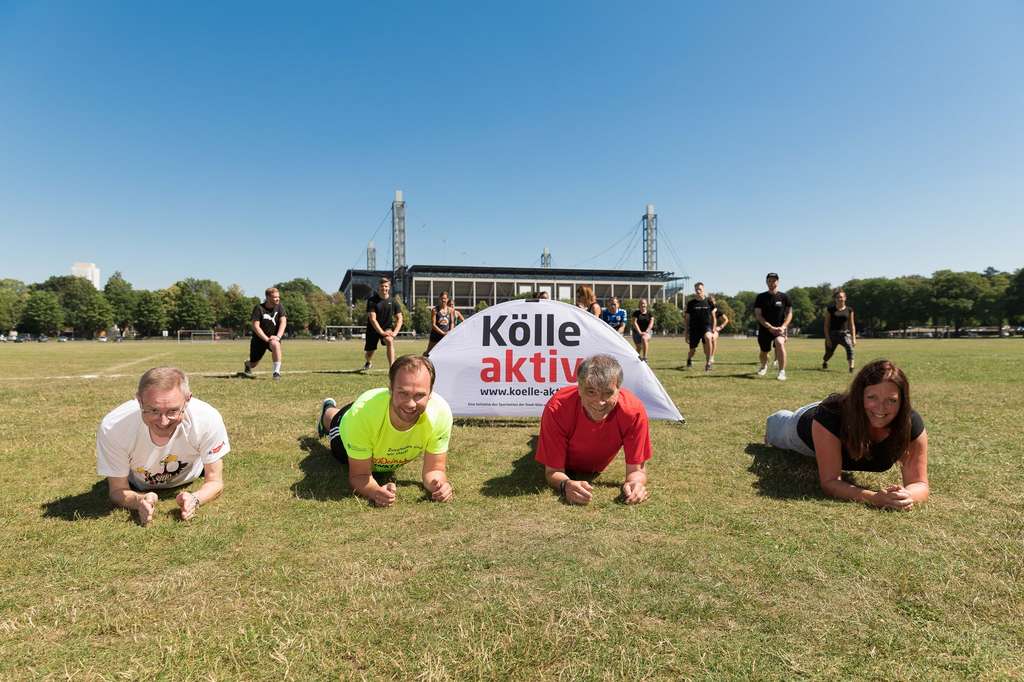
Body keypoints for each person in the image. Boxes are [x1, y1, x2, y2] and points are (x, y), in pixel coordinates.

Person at [763, 359, 928, 510]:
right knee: (777, 427)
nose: (881, 408)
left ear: (902, 402)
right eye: (872, 397)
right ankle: (777, 420)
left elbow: (920, 483)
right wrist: (875, 498)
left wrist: (907, 496)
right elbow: (830, 482)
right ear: (859, 396)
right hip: (806, 425)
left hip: (842, 411)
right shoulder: (831, 416)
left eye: (891, 400)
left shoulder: (909, 425)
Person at [96, 367, 229, 526]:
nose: (163, 422)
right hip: (136, 483)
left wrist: (195, 498)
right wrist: (139, 500)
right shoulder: (114, 427)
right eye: (153, 410)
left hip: (192, 474)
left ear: (187, 400)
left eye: (173, 411)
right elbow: (117, 490)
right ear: (139, 401)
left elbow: (215, 481)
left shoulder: (207, 419)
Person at [316, 355, 453, 506]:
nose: (411, 404)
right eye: (403, 393)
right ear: (391, 389)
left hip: (374, 412)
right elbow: (360, 475)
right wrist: (375, 492)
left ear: (430, 393)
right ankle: (327, 410)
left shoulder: (440, 413)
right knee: (334, 418)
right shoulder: (362, 415)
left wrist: (439, 485)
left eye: (419, 395)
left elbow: (434, 470)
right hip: (349, 427)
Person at [535, 354, 652, 505]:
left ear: (619, 390)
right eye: (591, 392)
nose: (600, 402)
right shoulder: (558, 408)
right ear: (579, 389)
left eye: (608, 393)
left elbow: (637, 471)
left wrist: (635, 484)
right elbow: (552, 471)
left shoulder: (633, 411)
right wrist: (566, 485)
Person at [753, 272, 792, 381]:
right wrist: (769, 327)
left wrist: (783, 327)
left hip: (780, 330)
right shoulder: (761, 297)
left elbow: (789, 313)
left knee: (779, 343)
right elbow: (758, 315)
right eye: (769, 280)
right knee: (764, 352)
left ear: (778, 282)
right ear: (766, 282)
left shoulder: (784, 297)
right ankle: (763, 366)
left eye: (774, 280)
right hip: (765, 329)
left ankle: (781, 371)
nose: (772, 282)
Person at [243, 287, 287, 380]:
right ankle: (247, 364)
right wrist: (266, 339)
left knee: (276, 344)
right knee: (253, 364)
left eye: (278, 297)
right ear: (267, 297)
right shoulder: (259, 308)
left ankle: (276, 373)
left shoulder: (280, 307)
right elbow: (255, 326)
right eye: (275, 297)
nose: (277, 299)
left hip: (274, 338)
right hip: (259, 339)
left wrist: (278, 337)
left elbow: (283, 322)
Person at [363, 277, 403, 370]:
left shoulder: (394, 301)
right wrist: (381, 332)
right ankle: (368, 362)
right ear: (378, 287)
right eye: (382, 286)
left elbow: (400, 318)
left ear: (389, 287)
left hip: (386, 328)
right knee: (369, 353)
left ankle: (392, 368)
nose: (384, 288)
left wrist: (395, 333)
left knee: (389, 340)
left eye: (386, 286)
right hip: (372, 329)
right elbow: (373, 319)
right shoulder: (372, 301)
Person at [684, 282, 717, 371]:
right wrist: (686, 332)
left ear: (703, 290)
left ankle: (708, 363)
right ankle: (689, 359)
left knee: (708, 338)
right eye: (697, 289)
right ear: (695, 290)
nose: (698, 291)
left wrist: (713, 330)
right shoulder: (691, 303)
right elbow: (687, 319)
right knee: (692, 350)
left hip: (706, 327)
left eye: (700, 289)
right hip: (694, 329)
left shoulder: (709, 302)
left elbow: (714, 317)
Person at [823, 288, 857, 372]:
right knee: (829, 353)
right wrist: (828, 339)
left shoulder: (849, 310)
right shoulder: (830, 310)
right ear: (835, 299)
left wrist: (853, 338)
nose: (840, 299)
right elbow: (826, 325)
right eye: (838, 297)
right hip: (832, 335)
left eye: (841, 297)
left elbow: (852, 325)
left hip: (845, 334)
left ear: (845, 298)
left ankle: (851, 367)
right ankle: (825, 361)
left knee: (850, 348)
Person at [424, 291, 462, 356]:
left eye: (445, 298)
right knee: (428, 353)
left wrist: (450, 332)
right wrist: (443, 333)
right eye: (441, 298)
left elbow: (452, 322)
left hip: (447, 335)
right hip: (436, 335)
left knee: (447, 353)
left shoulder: (451, 310)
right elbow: (433, 325)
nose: (443, 300)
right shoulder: (434, 310)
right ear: (439, 299)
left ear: (447, 299)